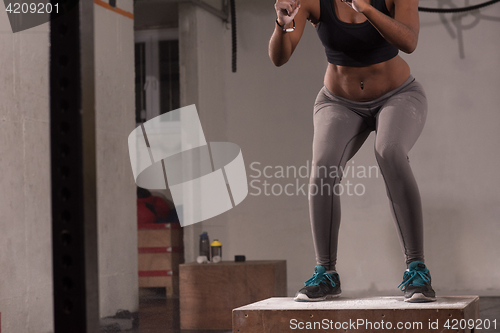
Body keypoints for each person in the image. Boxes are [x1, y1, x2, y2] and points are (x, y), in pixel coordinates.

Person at [268, 0, 436, 303]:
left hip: (399, 95)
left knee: (390, 151)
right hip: (338, 101)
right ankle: (326, 273)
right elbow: (280, 57)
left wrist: (367, 9)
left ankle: (417, 269)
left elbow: (409, 42)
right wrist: (282, 25)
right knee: (323, 167)